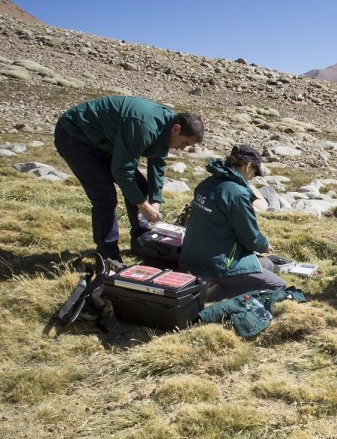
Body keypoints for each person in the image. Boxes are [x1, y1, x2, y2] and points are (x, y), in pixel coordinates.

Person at [55, 95, 204, 262]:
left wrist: (155, 200)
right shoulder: (144, 127)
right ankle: (108, 257)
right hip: (75, 135)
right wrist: (143, 205)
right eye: (184, 143)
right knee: (105, 197)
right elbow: (122, 170)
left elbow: (157, 163)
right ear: (176, 129)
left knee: (139, 187)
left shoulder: (167, 127)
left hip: (104, 142)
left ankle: (141, 241)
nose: (182, 149)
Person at [179, 145, 286, 300]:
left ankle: (210, 280)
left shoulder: (208, 182)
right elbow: (249, 237)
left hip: (192, 256)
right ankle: (215, 291)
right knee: (277, 285)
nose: (253, 176)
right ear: (248, 165)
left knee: (268, 265)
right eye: (255, 171)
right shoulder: (236, 193)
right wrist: (263, 245)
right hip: (218, 264)